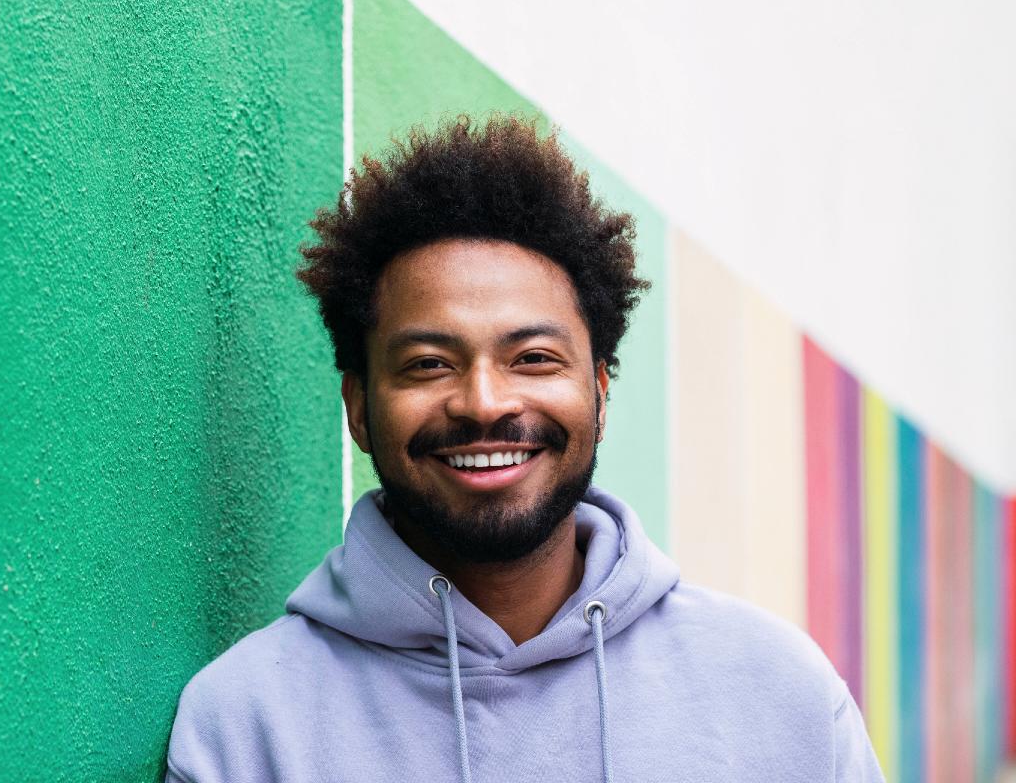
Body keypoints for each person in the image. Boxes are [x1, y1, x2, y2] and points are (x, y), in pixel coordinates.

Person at [164, 115, 884, 782]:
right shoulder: (245, 725)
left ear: (600, 393)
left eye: (534, 358)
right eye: (428, 364)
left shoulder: (776, 693)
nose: (484, 402)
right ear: (358, 408)